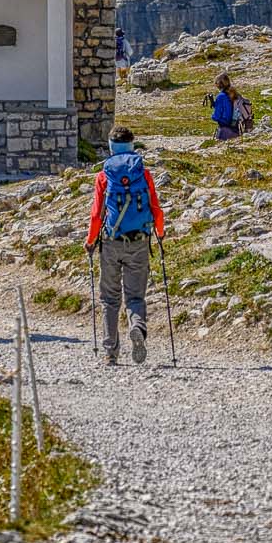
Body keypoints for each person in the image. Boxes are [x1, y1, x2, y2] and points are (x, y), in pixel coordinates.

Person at [86, 125, 167, 366]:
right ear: (133, 145)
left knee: (110, 298)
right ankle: (137, 328)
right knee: (135, 296)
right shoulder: (144, 174)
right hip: (139, 241)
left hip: (111, 242)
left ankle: (111, 352)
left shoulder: (103, 176)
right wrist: (160, 234)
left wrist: (90, 241)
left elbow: (96, 215)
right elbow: (156, 209)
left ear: (110, 148)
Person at [209, 73, 248, 142]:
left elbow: (216, 116)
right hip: (236, 126)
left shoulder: (221, 96)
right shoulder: (234, 94)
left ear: (219, 84)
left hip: (226, 126)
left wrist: (212, 116)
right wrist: (215, 105)